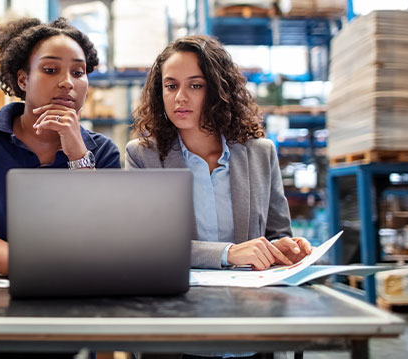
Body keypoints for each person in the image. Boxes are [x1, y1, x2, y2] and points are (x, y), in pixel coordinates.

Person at [0, 17, 121, 276]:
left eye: (78, 72)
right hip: (4, 289)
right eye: (50, 70)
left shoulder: (103, 151)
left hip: (82, 289)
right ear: (23, 80)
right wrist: (37, 268)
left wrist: (78, 155)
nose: (67, 83)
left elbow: (106, 237)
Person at [126, 35, 312, 272]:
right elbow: (145, 245)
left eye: (195, 85)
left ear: (217, 90)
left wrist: (284, 249)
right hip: (178, 296)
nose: (180, 97)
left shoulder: (261, 154)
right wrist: (228, 253)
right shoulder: (143, 156)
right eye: (171, 86)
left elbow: (277, 234)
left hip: (250, 297)